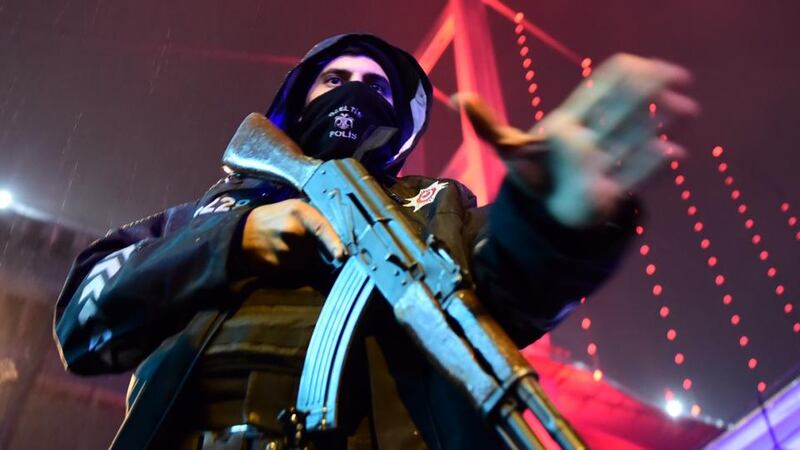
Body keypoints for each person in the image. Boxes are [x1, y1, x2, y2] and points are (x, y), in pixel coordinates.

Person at [54, 34, 697, 450]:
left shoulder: (433, 206)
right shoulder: (204, 214)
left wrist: (557, 216)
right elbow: (84, 316)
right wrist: (234, 239)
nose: (356, 91)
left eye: (377, 86)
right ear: (297, 97)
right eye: (335, 78)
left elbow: (508, 287)